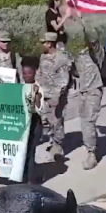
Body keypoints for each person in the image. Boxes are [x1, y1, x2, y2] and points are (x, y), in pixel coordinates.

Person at [70, 7, 104, 170]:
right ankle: (91, 146)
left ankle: (92, 154)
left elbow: (92, 37)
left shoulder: (95, 52)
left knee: (89, 121)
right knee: (84, 122)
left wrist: (83, 20)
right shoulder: (77, 54)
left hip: (94, 89)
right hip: (82, 90)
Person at [35, 32, 71, 160]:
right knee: (46, 120)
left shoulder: (62, 58)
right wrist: (36, 87)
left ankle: (58, 146)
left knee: (57, 121)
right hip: (44, 94)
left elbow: (64, 80)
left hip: (56, 96)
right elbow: (39, 73)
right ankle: (52, 139)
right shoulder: (43, 57)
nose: (42, 45)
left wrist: (57, 96)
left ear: (50, 43)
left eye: (44, 43)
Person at [19, 56, 44, 184]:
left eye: (29, 74)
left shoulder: (38, 88)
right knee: (22, 151)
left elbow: (39, 109)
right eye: (24, 73)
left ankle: (30, 180)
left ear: (34, 73)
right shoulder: (20, 87)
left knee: (31, 151)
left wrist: (36, 97)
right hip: (21, 124)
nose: (26, 76)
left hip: (34, 123)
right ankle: (21, 176)